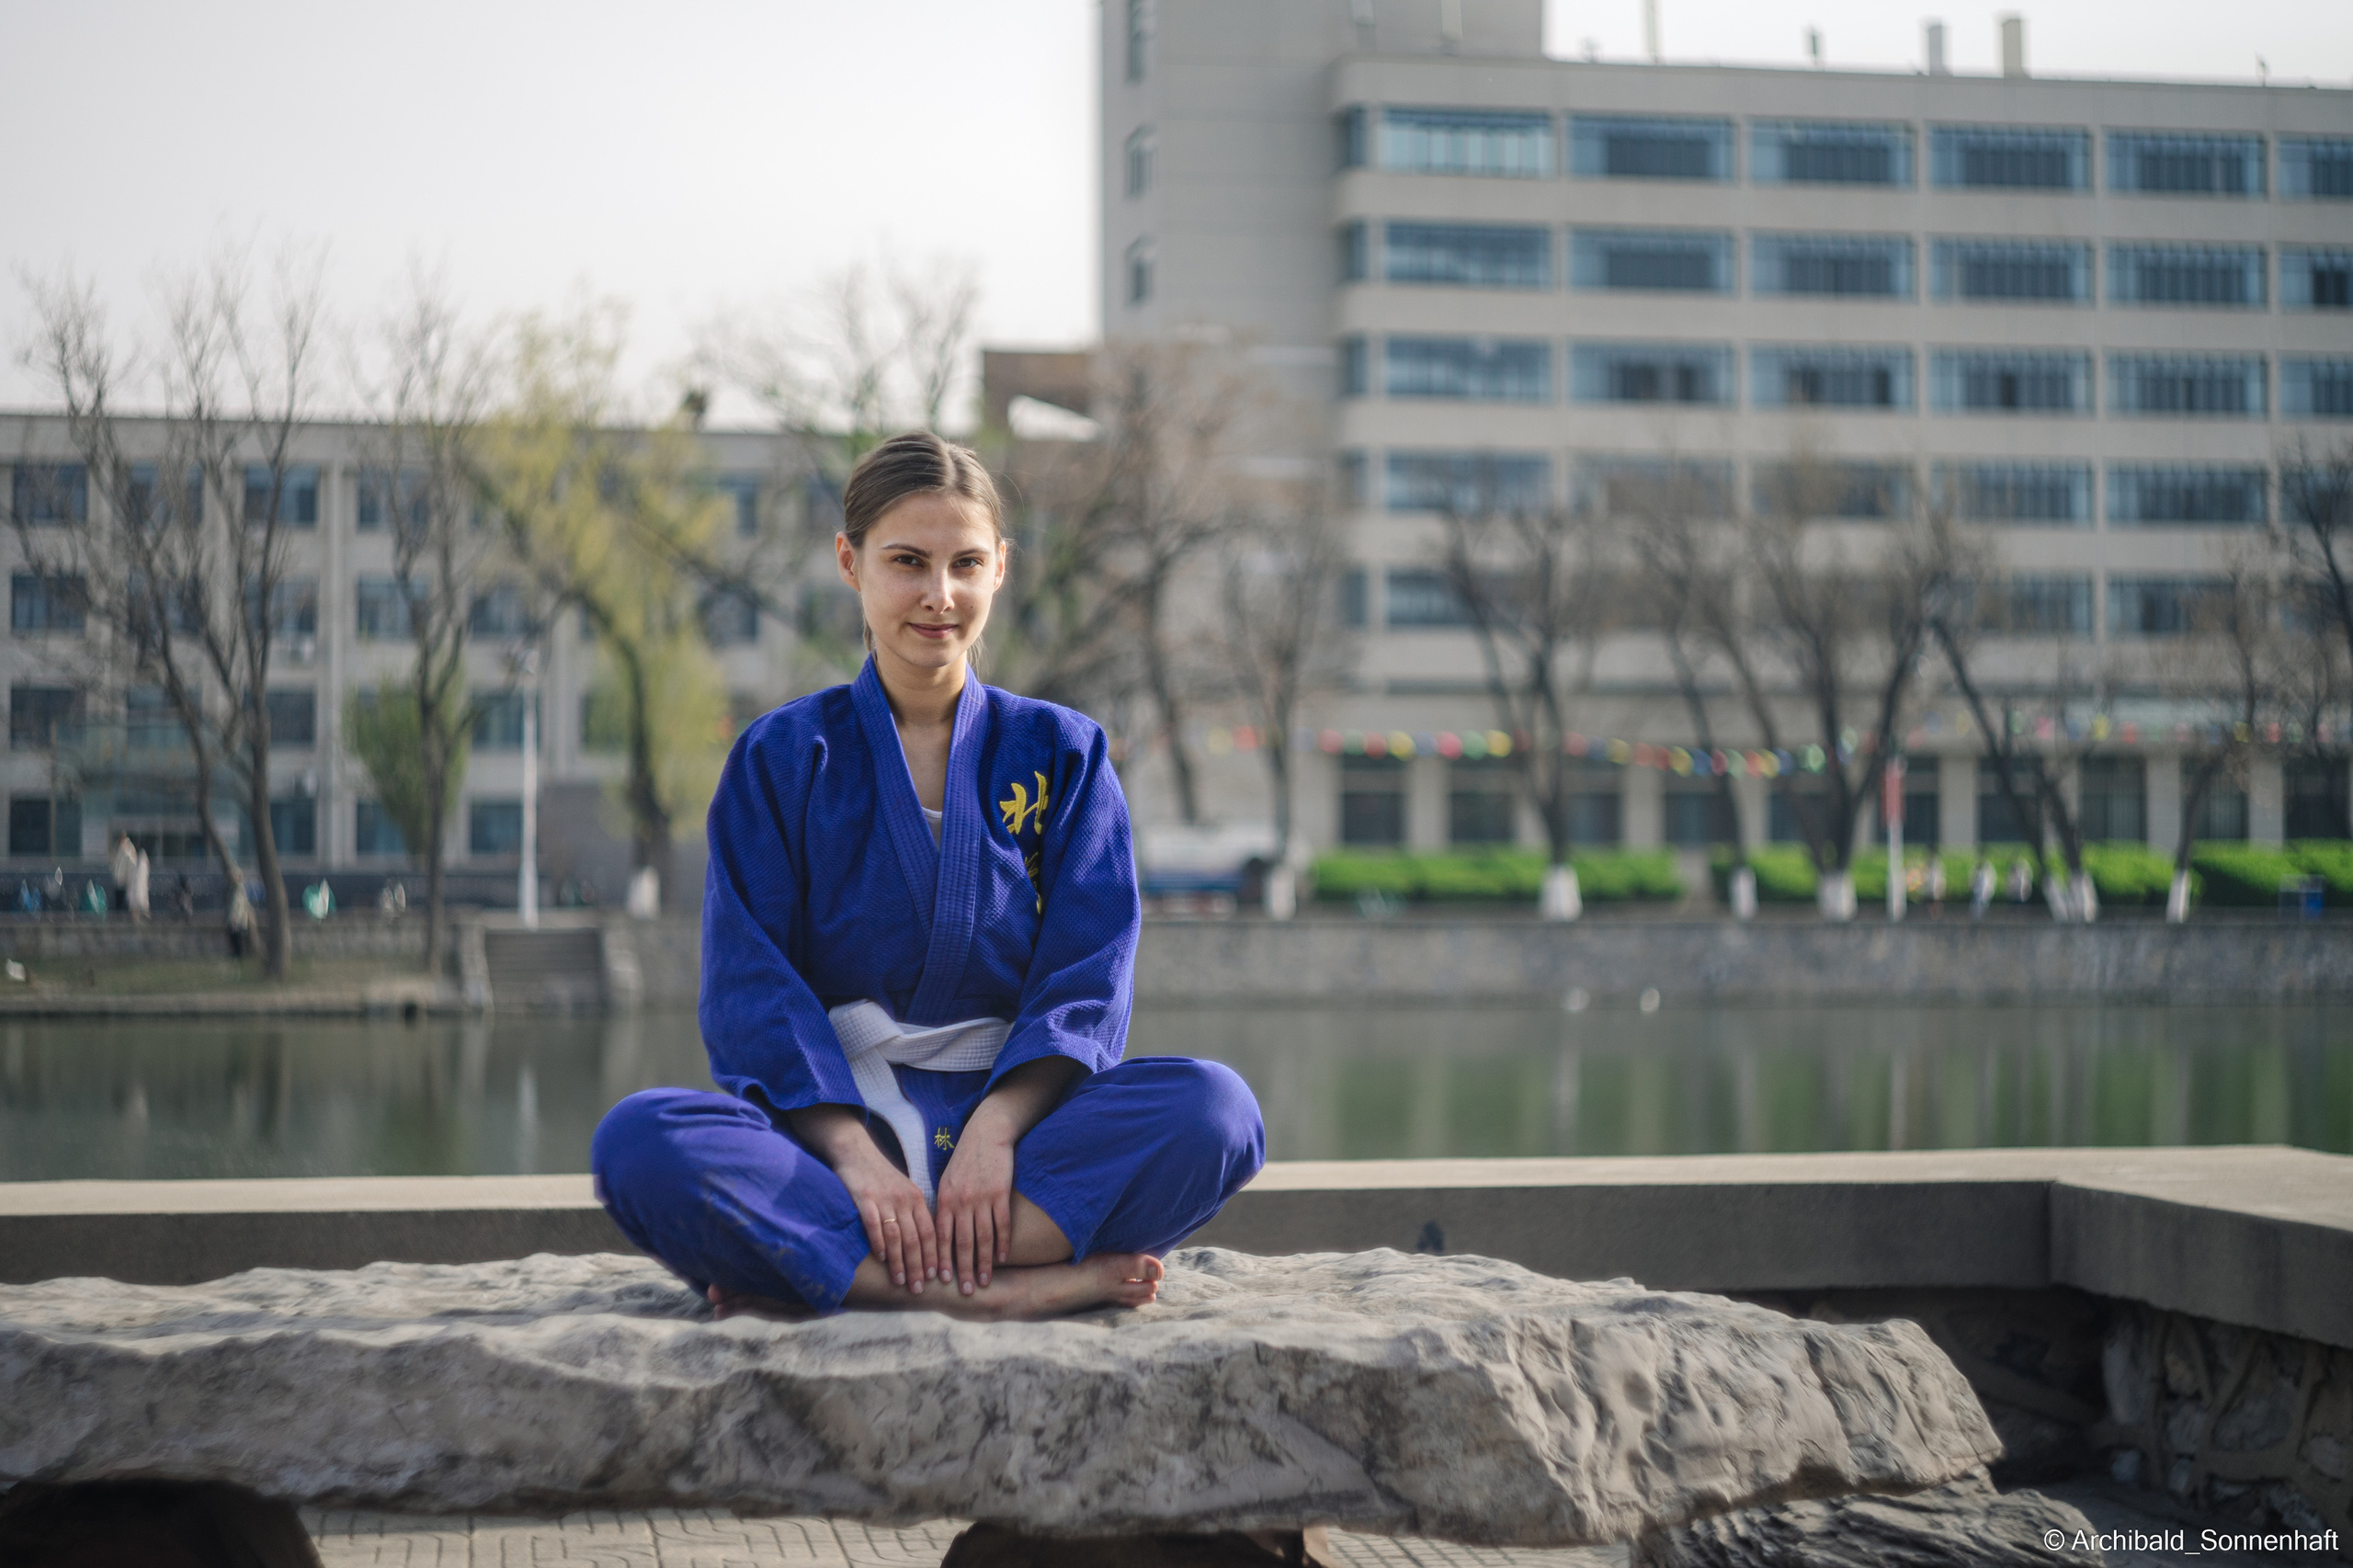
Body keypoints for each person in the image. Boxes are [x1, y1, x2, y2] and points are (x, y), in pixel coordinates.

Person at [593, 432, 1264, 1324]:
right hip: (837, 1139)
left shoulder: (1064, 753)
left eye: (965, 564)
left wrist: (993, 1130)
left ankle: (844, 1273)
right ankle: (1021, 1286)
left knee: (1217, 1109)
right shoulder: (783, 758)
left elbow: (1086, 975)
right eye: (906, 561)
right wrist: (857, 1162)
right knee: (641, 1143)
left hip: (1021, 1143)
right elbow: (752, 985)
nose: (937, 595)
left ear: (1001, 571)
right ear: (850, 561)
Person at [224, 879, 254, 960]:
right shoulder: (237, 891)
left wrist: (234, 920)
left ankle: (238, 956)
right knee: (236, 940)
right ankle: (237, 956)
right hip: (238, 921)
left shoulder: (237, 892)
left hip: (236, 922)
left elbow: (236, 908)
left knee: (236, 940)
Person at [108, 834, 138, 913]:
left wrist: (129, 879)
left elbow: (132, 865)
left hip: (125, 881)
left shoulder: (129, 848)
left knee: (124, 902)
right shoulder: (117, 847)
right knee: (118, 901)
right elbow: (114, 862)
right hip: (118, 880)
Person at [127, 849, 150, 924]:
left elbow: (138, 883)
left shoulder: (141, 865)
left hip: (138, 894)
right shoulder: (139, 864)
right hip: (138, 894)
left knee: (139, 907)